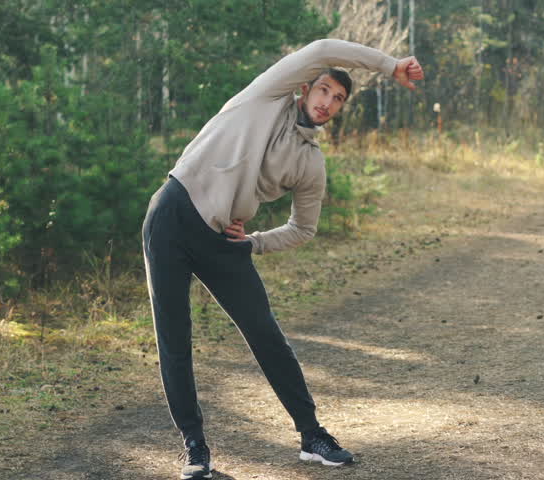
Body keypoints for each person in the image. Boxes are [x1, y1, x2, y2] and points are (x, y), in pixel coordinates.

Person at [141, 38, 424, 480]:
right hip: (172, 217)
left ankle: (312, 436)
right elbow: (325, 47)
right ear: (305, 88)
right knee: (175, 340)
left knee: (266, 334)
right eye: (324, 90)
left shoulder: (311, 163)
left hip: (224, 240)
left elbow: (302, 229)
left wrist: (253, 242)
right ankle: (195, 449)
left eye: (339, 98)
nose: (329, 102)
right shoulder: (265, 96)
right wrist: (390, 66)